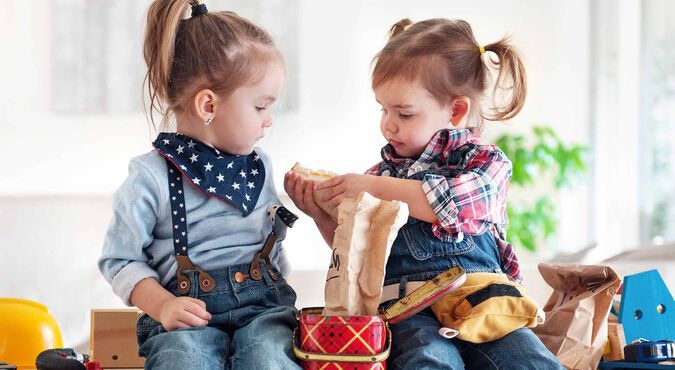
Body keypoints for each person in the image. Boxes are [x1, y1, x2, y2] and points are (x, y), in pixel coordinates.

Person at [285, 18, 564, 369]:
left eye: (404, 113)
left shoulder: (485, 163)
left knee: (527, 358)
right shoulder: (380, 174)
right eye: (383, 109)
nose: (388, 124)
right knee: (429, 359)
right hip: (407, 308)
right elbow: (360, 255)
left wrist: (371, 187)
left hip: (481, 300)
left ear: (456, 111)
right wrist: (320, 214)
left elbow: (446, 204)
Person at [98, 1, 300, 368]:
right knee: (182, 359)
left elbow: (272, 251)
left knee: (270, 358)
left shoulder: (261, 166)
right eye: (260, 107)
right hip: (186, 318)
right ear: (208, 105)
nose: (269, 120)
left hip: (263, 310)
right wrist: (163, 305)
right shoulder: (151, 176)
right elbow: (120, 259)